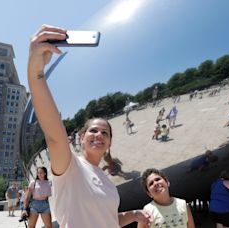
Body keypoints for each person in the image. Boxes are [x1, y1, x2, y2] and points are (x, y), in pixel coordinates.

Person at [27, 24, 151, 227]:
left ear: (109, 142)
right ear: (82, 137)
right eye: (93, 130)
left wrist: (135, 215)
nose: (99, 134)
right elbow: (54, 135)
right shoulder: (70, 167)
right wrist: (36, 73)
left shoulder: (106, 179)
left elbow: (108, 220)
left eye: (105, 132)